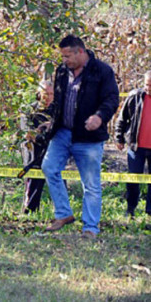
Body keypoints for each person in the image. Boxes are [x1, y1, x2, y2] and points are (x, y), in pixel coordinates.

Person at [41, 35, 119, 238]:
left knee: (91, 184)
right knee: (49, 167)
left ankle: (90, 228)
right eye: (63, 56)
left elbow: (111, 99)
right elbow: (59, 99)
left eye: (68, 56)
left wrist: (100, 117)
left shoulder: (102, 71)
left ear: (80, 52)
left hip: (89, 137)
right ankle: (64, 214)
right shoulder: (61, 71)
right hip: (62, 133)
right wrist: (53, 119)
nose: (65, 60)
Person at [114, 70, 151, 218]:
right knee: (133, 179)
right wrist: (119, 138)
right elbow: (122, 119)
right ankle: (130, 210)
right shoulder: (135, 96)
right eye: (147, 84)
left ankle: (149, 212)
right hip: (136, 147)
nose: (149, 88)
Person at [21, 80, 54, 213]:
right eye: (45, 93)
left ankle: (61, 214)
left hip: (54, 150)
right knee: (34, 181)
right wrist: (45, 130)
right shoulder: (29, 111)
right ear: (39, 94)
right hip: (33, 151)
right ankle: (29, 213)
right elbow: (28, 133)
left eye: (51, 94)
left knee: (59, 182)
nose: (48, 97)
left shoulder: (58, 110)